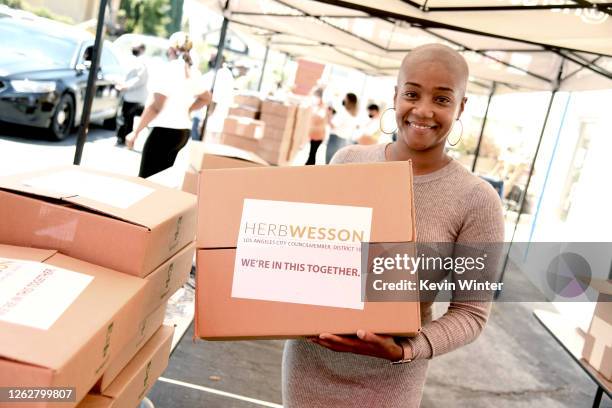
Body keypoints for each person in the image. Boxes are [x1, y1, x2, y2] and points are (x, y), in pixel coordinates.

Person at [282, 44, 504, 407]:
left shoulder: (477, 200)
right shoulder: (347, 162)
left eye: (442, 99)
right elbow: (308, 257)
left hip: (391, 378)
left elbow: (471, 312)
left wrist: (406, 350)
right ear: (395, 95)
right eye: (412, 93)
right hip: (311, 361)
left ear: (461, 106)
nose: (423, 110)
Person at [126, 32, 211, 178]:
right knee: (160, 182)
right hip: (182, 133)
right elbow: (206, 98)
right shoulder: (192, 71)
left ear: (171, 49)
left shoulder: (169, 69)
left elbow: (155, 107)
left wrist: (135, 132)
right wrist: (188, 110)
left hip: (164, 132)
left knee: (145, 181)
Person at [191, 54, 235, 141]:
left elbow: (215, 99)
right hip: (210, 121)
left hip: (205, 120)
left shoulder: (221, 75)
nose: (210, 61)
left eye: (212, 59)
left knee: (197, 148)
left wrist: (205, 122)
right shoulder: (224, 74)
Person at [116, 43, 148, 145]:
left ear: (142, 49)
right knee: (127, 119)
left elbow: (139, 79)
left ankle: (124, 139)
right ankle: (125, 139)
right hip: (128, 95)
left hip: (134, 97)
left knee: (126, 118)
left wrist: (126, 86)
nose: (134, 47)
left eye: (137, 46)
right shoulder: (132, 60)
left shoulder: (142, 62)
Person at [325, 92, 359, 164]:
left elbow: (333, 126)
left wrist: (328, 115)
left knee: (329, 162)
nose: (343, 99)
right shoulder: (354, 115)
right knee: (336, 163)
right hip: (344, 141)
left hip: (335, 139)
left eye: (345, 98)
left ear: (348, 101)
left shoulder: (343, 113)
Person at [305, 87, 330, 165]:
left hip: (318, 135)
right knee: (311, 153)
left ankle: (308, 167)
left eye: (316, 97)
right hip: (314, 134)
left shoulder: (323, 108)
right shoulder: (316, 106)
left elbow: (320, 118)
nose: (314, 99)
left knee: (312, 153)